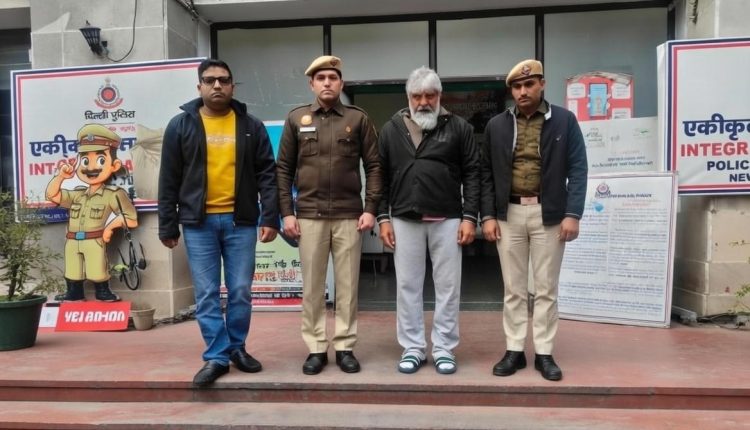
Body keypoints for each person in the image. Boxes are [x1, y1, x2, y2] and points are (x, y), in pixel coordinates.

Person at [158, 59, 279, 387]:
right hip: (198, 224)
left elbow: (267, 174)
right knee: (207, 293)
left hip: (241, 222)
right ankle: (217, 356)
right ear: (199, 86)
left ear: (232, 86)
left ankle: (237, 347)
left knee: (240, 290)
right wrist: (167, 224)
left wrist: (270, 216)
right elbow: (168, 178)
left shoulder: (250, 125)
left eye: (224, 80)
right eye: (210, 80)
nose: (217, 86)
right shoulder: (180, 126)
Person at [480, 59, 588, 381]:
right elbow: (486, 173)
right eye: (516, 86)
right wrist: (488, 215)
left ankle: (544, 352)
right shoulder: (496, 125)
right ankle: (514, 350)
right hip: (509, 214)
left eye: (529, 84)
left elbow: (578, 169)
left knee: (545, 288)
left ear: (542, 84)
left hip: (549, 215)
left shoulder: (565, 121)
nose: (523, 91)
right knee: (513, 288)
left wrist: (572, 214)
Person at [277, 55, 382, 375]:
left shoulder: (357, 118)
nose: (327, 83)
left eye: (332, 78)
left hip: (350, 215)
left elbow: (374, 166)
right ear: (312, 84)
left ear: (341, 83)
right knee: (312, 287)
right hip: (309, 215)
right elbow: (283, 169)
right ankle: (316, 348)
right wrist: (287, 213)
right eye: (321, 78)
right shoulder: (297, 119)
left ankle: (345, 346)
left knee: (348, 287)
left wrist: (370, 208)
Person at [377, 66, 480, 375]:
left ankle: (444, 348)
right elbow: (380, 177)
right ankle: (413, 347)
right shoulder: (391, 129)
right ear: (408, 97)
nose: (423, 102)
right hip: (404, 218)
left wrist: (469, 217)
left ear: (439, 96)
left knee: (448, 286)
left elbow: (472, 174)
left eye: (429, 96)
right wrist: (383, 218)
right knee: (407, 286)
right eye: (417, 96)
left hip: (447, 218)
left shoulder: (459, 128)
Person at [46, 123, 138, 303]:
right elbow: (52, 195)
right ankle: (74, 292)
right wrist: (61, 177)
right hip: (72, 241)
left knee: (97, 269)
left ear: (114, 165)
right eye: (85, 161)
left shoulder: (113, 194)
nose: (91, 168)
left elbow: (131, 218)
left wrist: (109, 228)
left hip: (94, 240)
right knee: (73, 270)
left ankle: (103, 292)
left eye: (101, 160)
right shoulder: (78, 194)